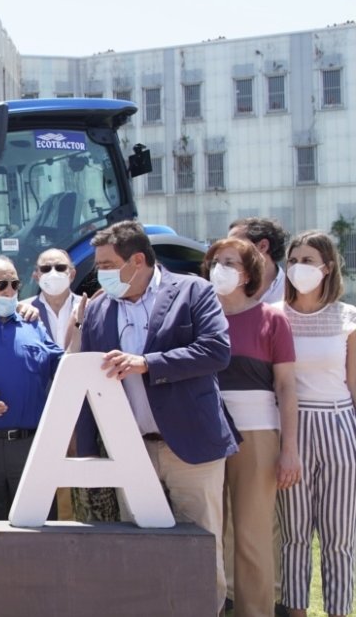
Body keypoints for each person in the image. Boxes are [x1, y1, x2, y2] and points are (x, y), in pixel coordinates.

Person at [75, 220, 236, 612]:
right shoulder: (98, 309)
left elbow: (216, 351)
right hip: (131, 452)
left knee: (201, 549)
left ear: (138, 260)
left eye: (107, 264)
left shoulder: (193, 291)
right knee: (140, 549)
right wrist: (87, 450)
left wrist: (147, 363)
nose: (100, 274)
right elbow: (86, 380)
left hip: (191, 446)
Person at [203, 237, 302, 617]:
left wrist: (288, 448)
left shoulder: (271, 319)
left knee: (251, 536)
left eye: (229, 262)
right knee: (206, 532)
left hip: (257, 436)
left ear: (248, 272)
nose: (219, 269)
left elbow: (286, 385)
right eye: (215, 261)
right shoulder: (198, 315)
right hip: (206, 433)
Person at [276, 230, 356, 617]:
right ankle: (295, 611)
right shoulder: (275, 316)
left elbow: (354, 382)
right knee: (294, 534)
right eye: (292, 260)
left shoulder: (348, 317)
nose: (298, 268)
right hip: (292, 430)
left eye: (307, 261)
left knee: (340, 536)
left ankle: (339, 611)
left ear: (327, 267)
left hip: (340, 425)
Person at [0, 257, 63, 520]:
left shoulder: (32, 323)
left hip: (30, 446)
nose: (10, 291)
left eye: (14, 284)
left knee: (39, 530)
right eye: (1, 285)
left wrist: (79, 327)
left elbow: (62, 366)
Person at [24, 248, 86, 350]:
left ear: (72, 275)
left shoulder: (87, 308)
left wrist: (78, 324)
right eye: (46, 269)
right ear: (36, 277)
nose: (53, 273)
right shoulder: (24, 311)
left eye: (60, 268)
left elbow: (84, 333)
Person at [230, 217, 289, 305]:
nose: (228, 251)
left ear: (263, 246)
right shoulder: (227, 287)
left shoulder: (292, 289)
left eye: (235, 245)